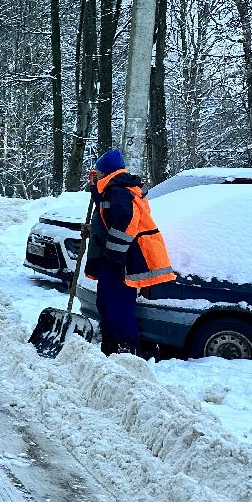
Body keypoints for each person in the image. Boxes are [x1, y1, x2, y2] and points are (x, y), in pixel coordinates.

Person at [84, 148, 175, 356]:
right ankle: (109, 345)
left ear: (105, 172)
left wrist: (114, 254)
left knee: (118, 306)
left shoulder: (119, 190)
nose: (94, 176)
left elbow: (126, 223)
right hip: (112, 259)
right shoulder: (112, 188)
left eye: (97, 173)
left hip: (120, 260)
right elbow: (109, 217)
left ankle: (125, 351)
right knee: (106, 303)